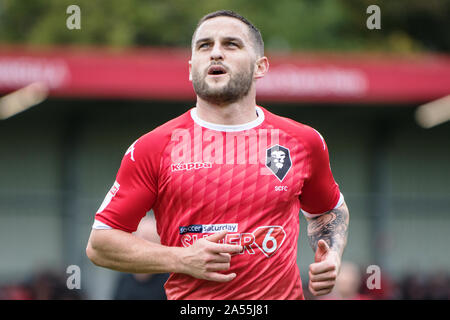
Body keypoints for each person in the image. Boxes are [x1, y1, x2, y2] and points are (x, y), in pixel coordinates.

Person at [86, 10, 350, 300]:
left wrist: (331, 254)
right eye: (204, 45)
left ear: (260, 66)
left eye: (231, 45)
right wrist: (181, 259)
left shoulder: (303, 141)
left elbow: (328, 211)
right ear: (190, 68)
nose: (215, 53)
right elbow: (101, 243)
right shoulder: (153, 147)